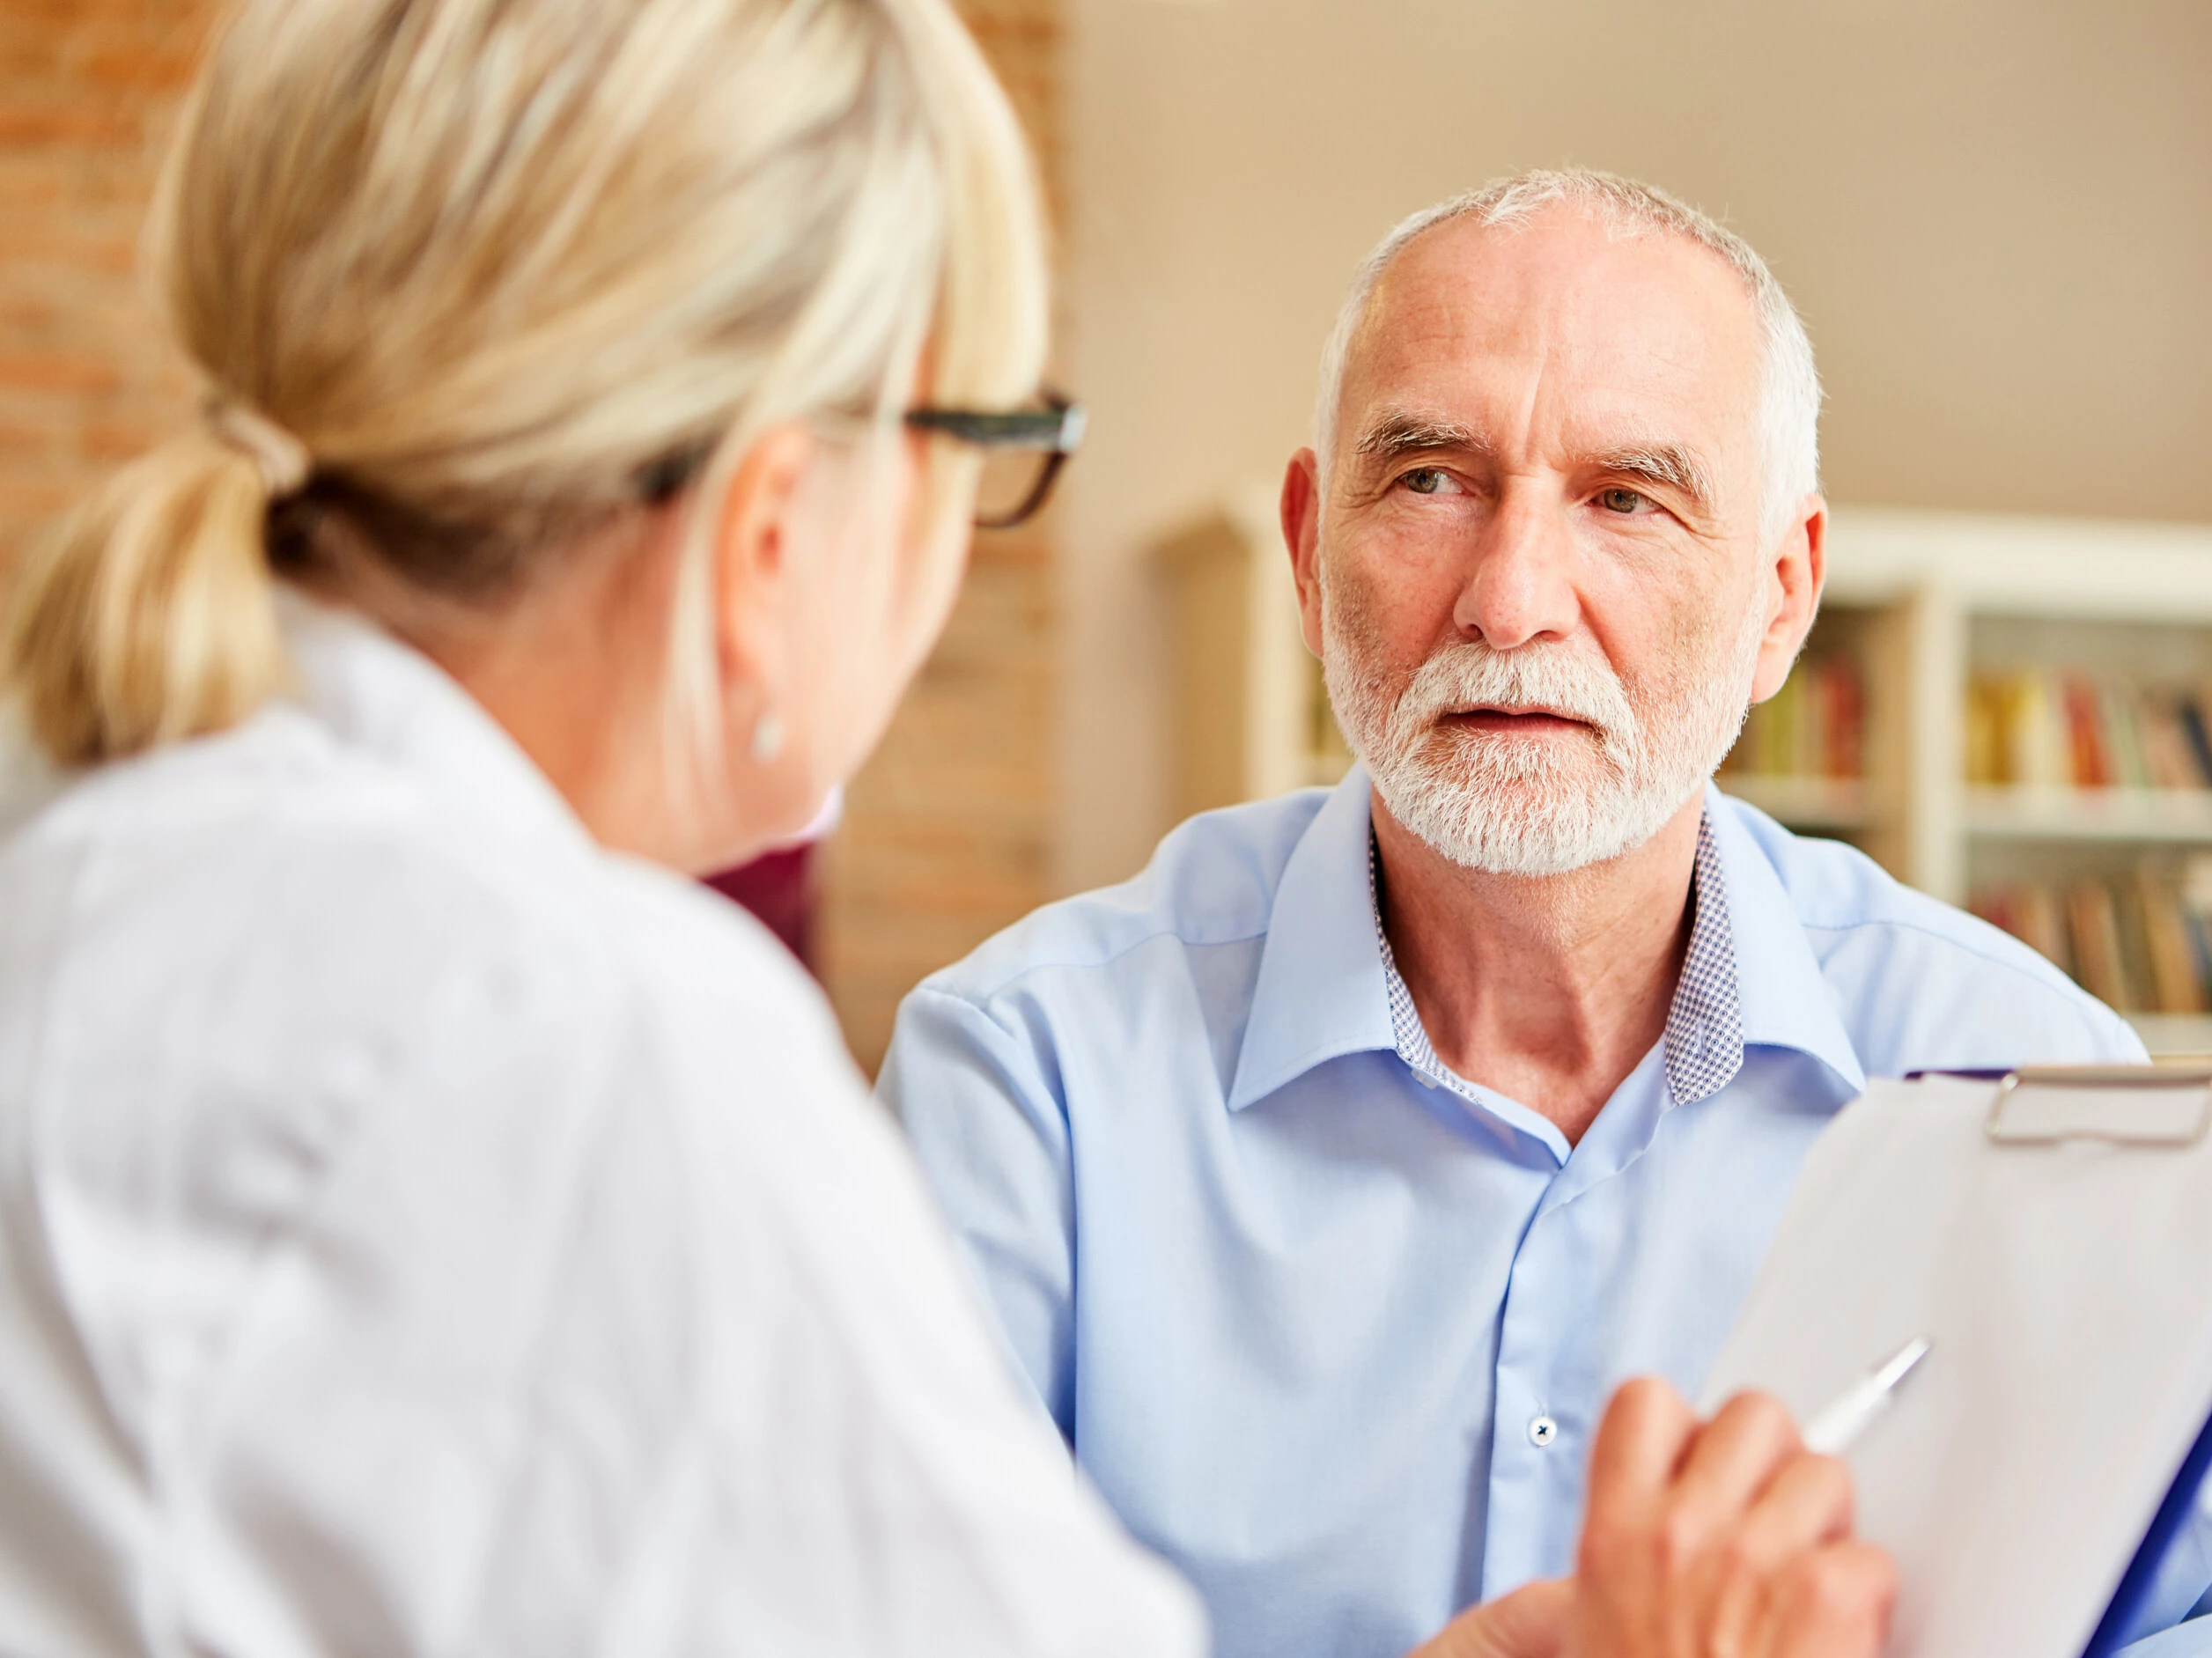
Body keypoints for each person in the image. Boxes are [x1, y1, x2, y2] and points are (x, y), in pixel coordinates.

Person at [0, 5, 1895, 1656]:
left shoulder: (91, 874)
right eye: (986, 453)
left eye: (1626, 500)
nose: (1509, 598)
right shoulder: (596, 1040)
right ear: (768, 532)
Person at [882, 168, 2212, 1658]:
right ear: (1313, 554)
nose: (1511, 598)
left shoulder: (2040, 1095)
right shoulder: (1029, 1082)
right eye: (1432, 478)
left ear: (1782, 598)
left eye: (1626, 499)